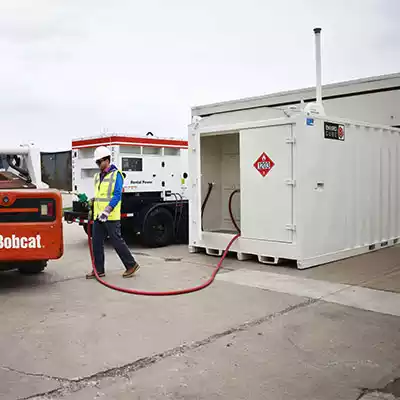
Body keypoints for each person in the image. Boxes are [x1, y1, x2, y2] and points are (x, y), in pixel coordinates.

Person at [86, 146, 140, 279]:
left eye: (99, 162)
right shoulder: (97, 177)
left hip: (110, 216)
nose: (98, 164)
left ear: (107, 160)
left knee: (116, 241)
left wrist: (107, 210)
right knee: (96, 243)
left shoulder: (117, 175)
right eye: (96, 162)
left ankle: (131, 265)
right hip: (99, 216)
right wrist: (92, 200)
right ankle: (98, 270)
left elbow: (117, 195)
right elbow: (101, 195)